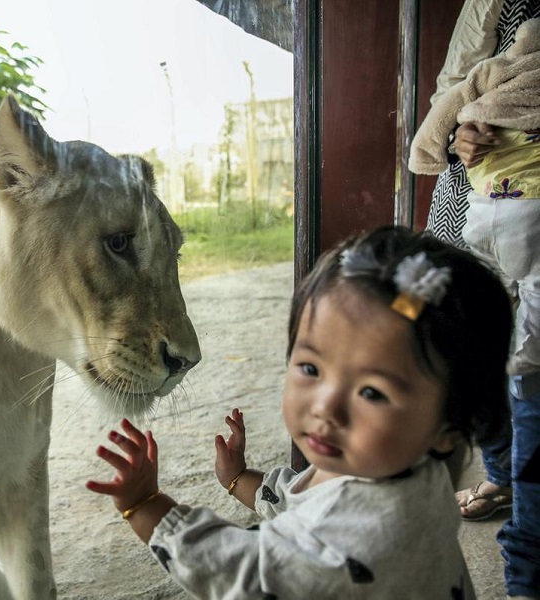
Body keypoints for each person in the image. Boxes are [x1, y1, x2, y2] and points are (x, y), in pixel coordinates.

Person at [87, 226, 513, 598]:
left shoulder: (366, 533)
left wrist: (147, 506)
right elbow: (307, 501)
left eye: (373, 392)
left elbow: (248, 575)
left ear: (452, 424)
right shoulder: (408, 468)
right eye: (311, 368)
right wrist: (239, 479)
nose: (326, 405)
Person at [423, 0, 540, 525]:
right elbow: (449, 93)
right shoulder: (493, 3)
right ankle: (504, 476)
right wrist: (456, 137)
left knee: (531, 359)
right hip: (477, 193)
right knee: (477, 342)